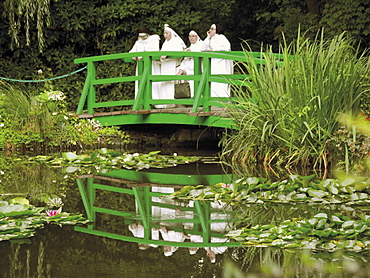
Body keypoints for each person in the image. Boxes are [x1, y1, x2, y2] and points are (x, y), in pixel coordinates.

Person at [158, 24, 186, 108]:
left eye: (167, 33)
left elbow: (179, 52)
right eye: (164, 33)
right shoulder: (165, 43)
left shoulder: (177, 41)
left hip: (172, 65)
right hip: (165, 65)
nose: (165, 35)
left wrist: (168, 54)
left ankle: (172, 103)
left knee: (171, 83)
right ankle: (164, 103)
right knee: (164, 82)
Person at [201, 24, 233, 98]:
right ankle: (214, 99)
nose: (210, 31)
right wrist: (208, 37)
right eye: (210, 29)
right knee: (213, 81)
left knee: (221, 81)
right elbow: (202, 48)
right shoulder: (210, 39)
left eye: (212, 29)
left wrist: (213, 50)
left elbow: (226, 48)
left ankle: (224, 99)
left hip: (221, 62)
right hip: (213, 63)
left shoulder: (221, 37)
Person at [129, 26, 161, 99]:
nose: (143, 38)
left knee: (153, 82)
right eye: (141, 36)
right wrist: (133, 55)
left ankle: (156, 101)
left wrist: (143, 55)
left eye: (144, 36)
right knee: (141, 82)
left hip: (152, 65)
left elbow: (155, 50)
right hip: (141, 66)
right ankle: (141, 100)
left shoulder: (154, 38)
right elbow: (132, 51)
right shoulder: (138, 41)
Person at [177, 30, 203, 97]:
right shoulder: (190, 47)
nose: (191, 38)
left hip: (198, 72)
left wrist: (191, 51)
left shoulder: (201, 44)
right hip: (189, 73)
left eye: (193, 36)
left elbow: (200, 53)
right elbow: (185, 60)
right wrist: (181, 70)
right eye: (190, 36)